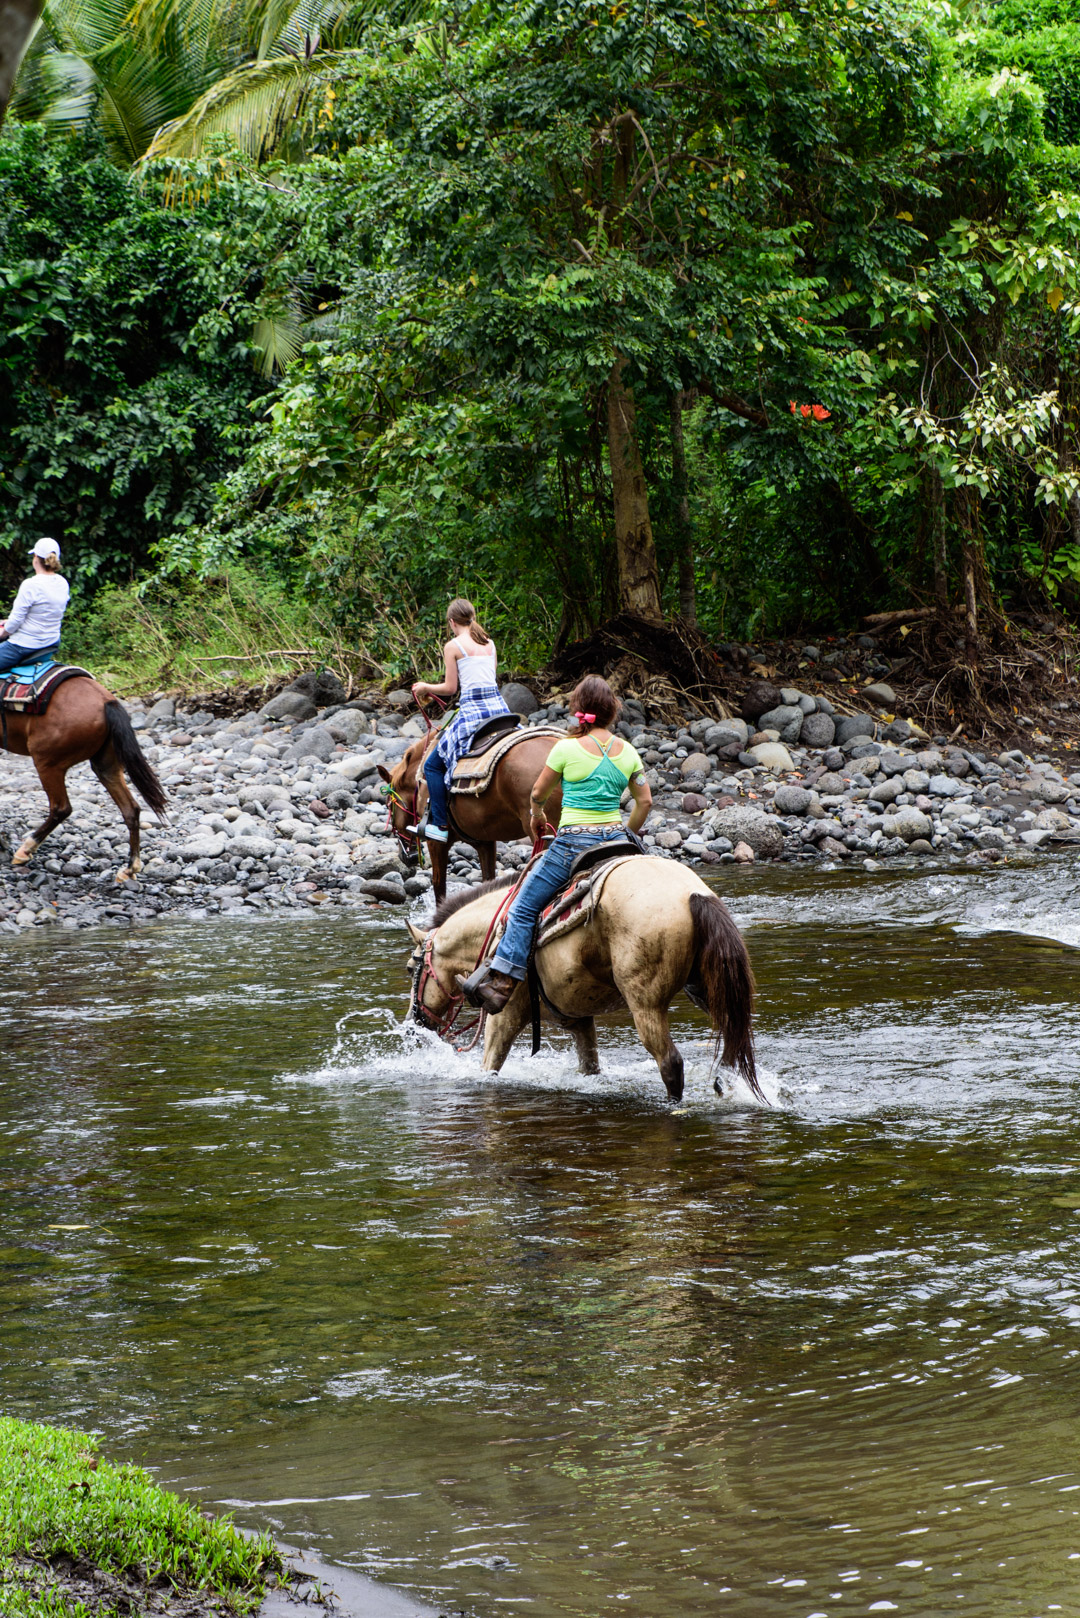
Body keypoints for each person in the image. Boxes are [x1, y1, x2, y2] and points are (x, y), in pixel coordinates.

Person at [460, 674, 652, 1015]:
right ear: (612, 711)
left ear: (579, 711)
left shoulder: (565, 748)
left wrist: (535, 814)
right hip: (616, 841)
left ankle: (503, 982)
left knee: (521, 908)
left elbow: (537, 793)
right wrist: (629, 834)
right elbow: (645, 802)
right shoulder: (629, 752)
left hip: (574, 844)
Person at [409, 598, 512, 843]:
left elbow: (450, 687)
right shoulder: (490, 643)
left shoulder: (453, 646)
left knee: (433, 765)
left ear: (452, 623)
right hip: (499, 709)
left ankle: (440, 824)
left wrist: (425, 687)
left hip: (473, 711)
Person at [0, 538, 70, 675]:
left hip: (25, 645)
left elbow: (16, 621)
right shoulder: (62, 582)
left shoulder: (31, 584)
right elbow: (46, 613)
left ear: (36, 558)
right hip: (51, 642)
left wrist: (3, 632)